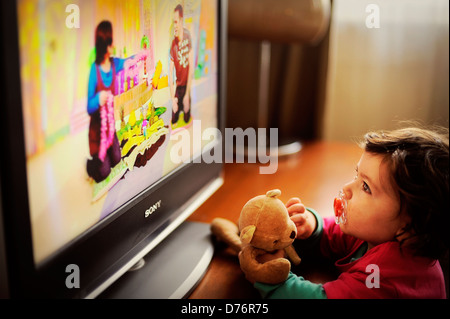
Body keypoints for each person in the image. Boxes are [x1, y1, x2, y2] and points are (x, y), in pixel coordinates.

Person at [240, 126, 449, 298]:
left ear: (408, 224)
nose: (348, 188)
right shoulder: (377, 234)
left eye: (366, 186)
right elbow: (337, 235)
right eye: (357, 175)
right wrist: (312, 226)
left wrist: (273, 280)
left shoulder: (388, 275)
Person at [86, 20, 134, 183]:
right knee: (105, 171)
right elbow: (89, 106)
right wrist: (98, 99)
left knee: (117, 158)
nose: (113, 43)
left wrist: (140, 55)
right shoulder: (95, 69)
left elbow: (128, 60)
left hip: (110, 128)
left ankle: (108, 153)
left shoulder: (115, 63)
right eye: (111, 40)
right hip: (97, 132)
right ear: (105, 44)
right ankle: (91, 163)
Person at [169, 4, 194, 126]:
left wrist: (187, 94)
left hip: (186, 86)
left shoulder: (188, 36)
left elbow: (191, 68)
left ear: (181, 21)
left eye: (176, 22)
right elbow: (170, 75)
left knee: (186, 118)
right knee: (174, 119)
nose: (175, 26)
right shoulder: (173, 45)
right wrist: (172, 98)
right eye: (173, 23)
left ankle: (186, 104)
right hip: (178, 87)